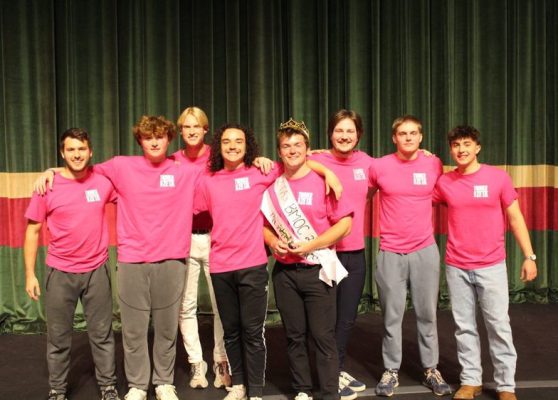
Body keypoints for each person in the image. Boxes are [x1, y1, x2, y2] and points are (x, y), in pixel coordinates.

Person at [35, 116, 205, 400]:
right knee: (134, 330)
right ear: (140, 140)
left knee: (165, 329)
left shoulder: (185, 171)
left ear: (169, 140)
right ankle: (138, 385)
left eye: (160, 136)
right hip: (132, 260)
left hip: (172, 259)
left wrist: (260, 160)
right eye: (148, 136)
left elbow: (228, 171)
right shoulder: (120, 166)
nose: (154, 141)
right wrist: (50, 170)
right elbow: (78, 170)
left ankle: (163, 382)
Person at [195, 123, 341, 400]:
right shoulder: (208, 179)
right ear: (218, 146)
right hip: (221, 265)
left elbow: (297, 162)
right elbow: (192, 207)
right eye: (226, 141)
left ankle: (257, 391)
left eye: (239, 141)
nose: (233, 146)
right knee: (231, 330)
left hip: (252, 264)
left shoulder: (262, 171)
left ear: (248, 145)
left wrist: (328, 170)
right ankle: (238, 384)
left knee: (253, 332)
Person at [433, 126, 537, 400]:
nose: (461, 150)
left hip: (491, 266)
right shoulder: (445, 182)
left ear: (477, 147)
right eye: (456, 145)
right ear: (451, 150)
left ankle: (505, 385)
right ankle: (471, 380)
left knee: (498, 325)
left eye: (466, 144)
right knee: (464, 326)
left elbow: (515, 218)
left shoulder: (497, 178)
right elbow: (416, 199)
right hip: (456, 265)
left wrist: (529, 256)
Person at [24, 128, 120, 400]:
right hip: (60, 272)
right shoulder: (48, 186)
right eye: (71, 150)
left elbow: (134, 193)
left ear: (90, 152)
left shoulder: (103, 182)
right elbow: (32, 231)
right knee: (58, 338)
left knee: (102, 335)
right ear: (62, 153)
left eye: (81, 149)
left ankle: (108, 387)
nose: (77, 154)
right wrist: (30, 274)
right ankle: (57, 390)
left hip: (96, 271)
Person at [263, 119, 353, 400]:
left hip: (318, 269)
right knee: (294, 336)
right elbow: (264, 225)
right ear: (279, 151)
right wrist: (273, 241)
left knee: (323, 337)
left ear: (308, 149)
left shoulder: (323, 182)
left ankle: (328, 393)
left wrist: (311, 245)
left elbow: (344, 225)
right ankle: (302, 389)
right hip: (285, 273)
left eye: (297, 145)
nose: (292, 151)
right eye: (286, 146)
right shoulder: (273, 185)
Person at [369, 116, 452, 397]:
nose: (408, 138)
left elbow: (445, 193)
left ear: (421, 137)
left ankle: (430, 368)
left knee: (427, 314)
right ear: (394, 138)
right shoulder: (379, 166)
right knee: (391, 316)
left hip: (425, 250)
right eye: (402, 133)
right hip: (391, 251)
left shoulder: (433, 163)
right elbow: (361, 191)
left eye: (413, 133)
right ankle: (391, 370)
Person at [309, 110, 372, 400]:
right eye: (339, 130)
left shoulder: (368, 164)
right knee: (324, 320)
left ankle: (337, 368)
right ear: (330, 133)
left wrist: (421, 152)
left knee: (346, 319)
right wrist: (326, 170)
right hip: (324, 254)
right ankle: (325, 375)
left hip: (355, 253)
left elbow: (396, 168)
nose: (344, 136)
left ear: (358, 134)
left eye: (350, 131)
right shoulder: (317, 159)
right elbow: (293, 160)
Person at [173, 107, 231, 390]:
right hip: (183, 239)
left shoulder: (218, 156)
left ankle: (221, 360)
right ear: (180, 131)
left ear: (206, 129)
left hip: (215, 238)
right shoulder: (172, 161)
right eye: (186, 127)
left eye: (197, 126)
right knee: (186, 305)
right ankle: (197, 363)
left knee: (221, 303)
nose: (192, 131)